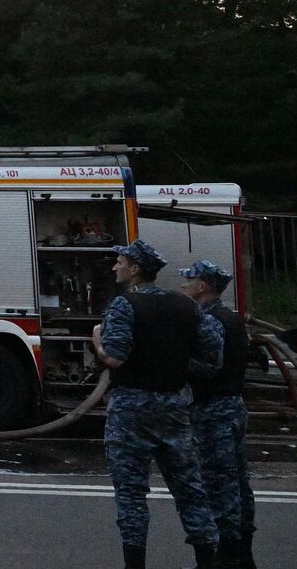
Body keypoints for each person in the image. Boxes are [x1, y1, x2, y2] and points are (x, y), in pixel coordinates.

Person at [91, 239, 223, 569]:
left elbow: (115, 358)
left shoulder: (125, 305)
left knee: (131, 493)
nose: (114, 266)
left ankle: (135, 563)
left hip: (131, 412)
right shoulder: (186, 305)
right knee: (190, 490)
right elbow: (213, 356)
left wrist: (96, 339)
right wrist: (178, 367)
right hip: (175, 409)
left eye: (120, 261)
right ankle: (208, 559)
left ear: (135, 269)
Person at [180, 260, 257, 568]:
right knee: (238, 480)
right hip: (233, 406)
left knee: (218, 482)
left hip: (213, 411)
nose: (184, 284)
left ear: (204, 287)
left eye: (190, 279)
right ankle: (243, 551)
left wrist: (175, 363)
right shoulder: (230, 318)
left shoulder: (210, 321)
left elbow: (209, 367)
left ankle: (226, 554)